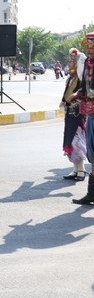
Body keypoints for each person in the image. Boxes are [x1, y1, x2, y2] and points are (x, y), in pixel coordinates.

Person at [68, 35, 94, 205]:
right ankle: (91, 193)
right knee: (92, 152)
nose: (89, 49)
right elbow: (85, 86)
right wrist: (77, 95)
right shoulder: (87, 63)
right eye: (87, 46)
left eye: (91, 46)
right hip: (91, 113)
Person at [60, 48, 87, 181]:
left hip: (79, 113)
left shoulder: (82, 79)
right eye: (69, 60)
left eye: (72, 61)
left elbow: (84, 94)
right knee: (70, 139)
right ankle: (75, 170)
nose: (69, 63)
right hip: (70, 112)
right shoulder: (71, 77)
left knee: (77, 141)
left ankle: (81, 171)